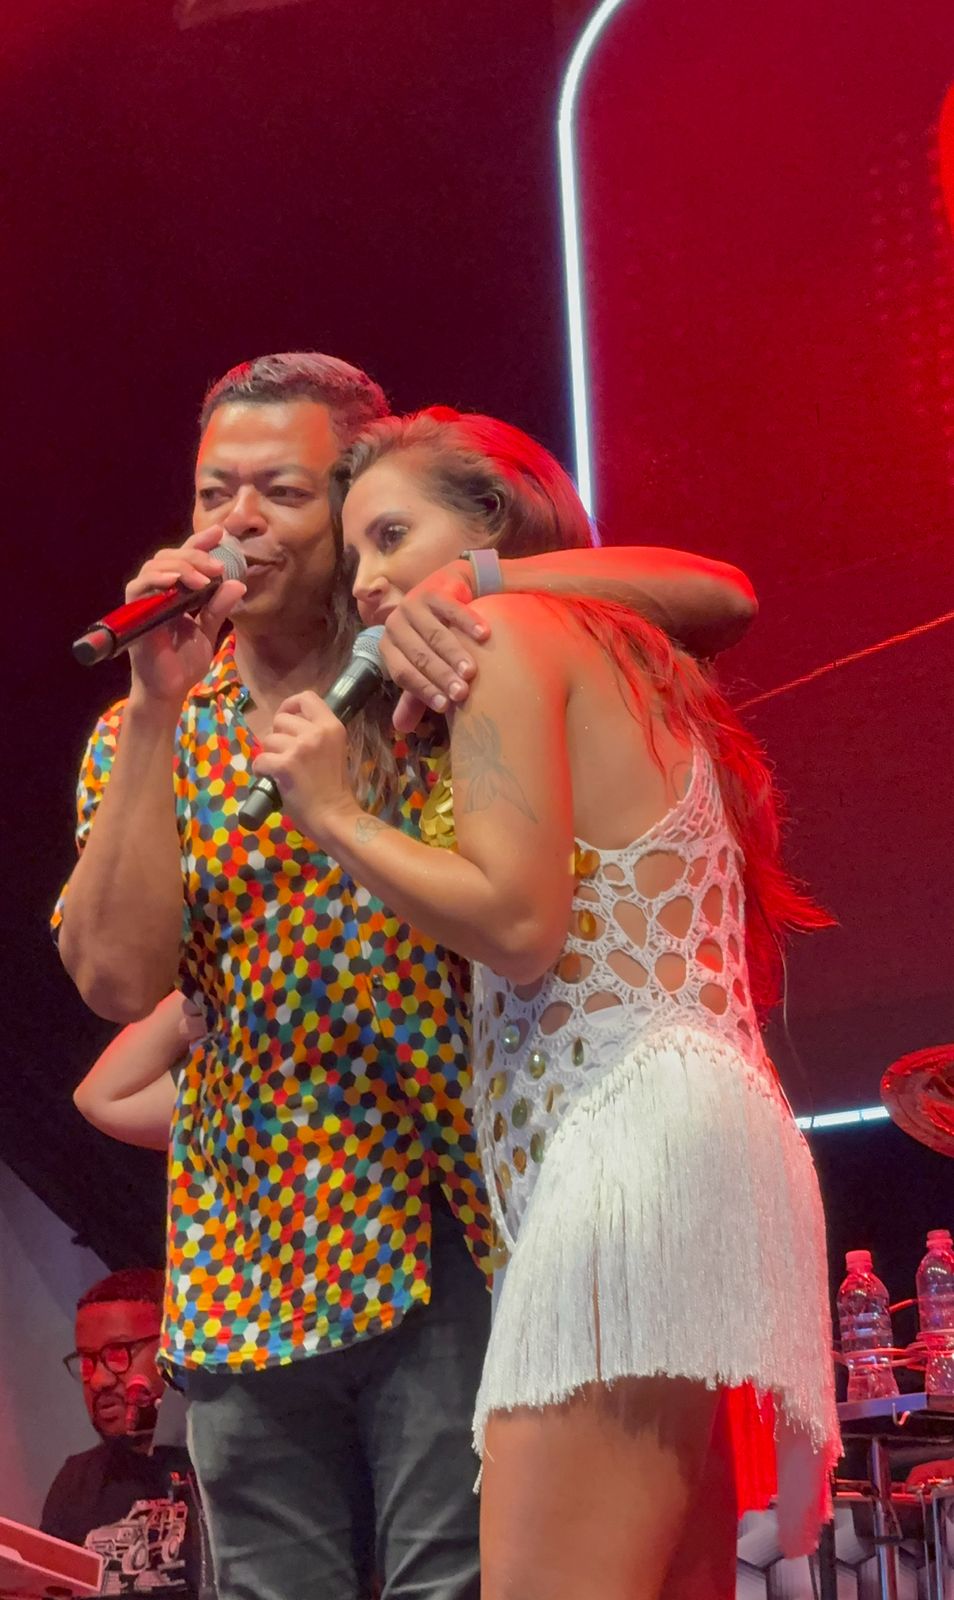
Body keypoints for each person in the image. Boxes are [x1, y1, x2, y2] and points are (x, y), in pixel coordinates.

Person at [54, 350, 758, 1600]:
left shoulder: (431, 665)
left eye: (279, 490)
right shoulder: (145, 729)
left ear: (349, 506)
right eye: (216, 492)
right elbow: (114, 980)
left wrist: (474, 574)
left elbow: (711, 596)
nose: (236, 524)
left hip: (445, 1234)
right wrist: (155, 708)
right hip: (242, 1256)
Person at [250, 407, 842, 1600]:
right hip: (695, 1132)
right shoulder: (615, 649)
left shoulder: (509, 627)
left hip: (628, 1150)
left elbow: (518, 930)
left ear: (490, 527)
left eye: (392, 536)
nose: (369, 582)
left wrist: (332, 812)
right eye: (355, 552)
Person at [42, 1269, 206, 1599]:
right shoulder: (75, 1482)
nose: (99, 1380)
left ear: (171, 1349)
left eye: (118, 1354)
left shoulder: (219, 1466)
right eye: (87, 1361)